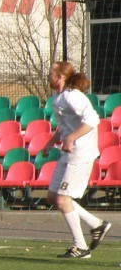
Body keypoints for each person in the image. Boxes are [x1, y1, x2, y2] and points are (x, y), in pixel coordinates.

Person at [41, 61, 111, 259]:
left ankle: (80, 247)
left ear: (60, 76)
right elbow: (65, 125)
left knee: (63, 200)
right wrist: (50, 142)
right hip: (68, 154)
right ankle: (97, 224)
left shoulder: (73, 96)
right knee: (53, 197)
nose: (49, 75)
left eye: (52, 72)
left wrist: (71, 138)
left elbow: (92, 120)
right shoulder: (59, 97)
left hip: (81, 154)